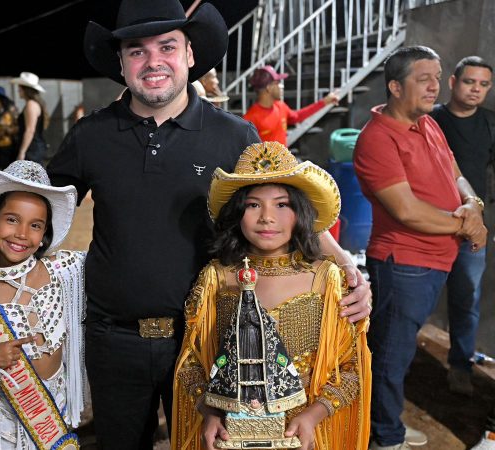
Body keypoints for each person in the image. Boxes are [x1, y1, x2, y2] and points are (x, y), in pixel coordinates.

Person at [46, 0, 372, 447]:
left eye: (167, 46)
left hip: (210, 342)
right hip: (113, 339)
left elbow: (288, 207)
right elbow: (37, 213)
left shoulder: (234, 135)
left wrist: (348, 270)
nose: (153, 61)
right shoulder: (90, 136)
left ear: (190, 55)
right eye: (137, 50)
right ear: (120, 63)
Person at [173, 141, 371, 450]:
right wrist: (210, 412)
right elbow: (191, 363)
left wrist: (313, 416)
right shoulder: (217, 277)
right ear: (237, 214)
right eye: (253, 205)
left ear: (300, 213)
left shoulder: (325, 279)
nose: (267, 217)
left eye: (282, 205)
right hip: (230, 435)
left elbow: (351, 369)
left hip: (304, 435)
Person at [353, 45, 487, 450]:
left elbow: (454, 171)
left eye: (438, 75)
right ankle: (384, 438)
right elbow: (407, 211)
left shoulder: (427, 124)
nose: (435, 86)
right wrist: (468, 227)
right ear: (395, 86)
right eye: (423, 78)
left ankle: (386, 423)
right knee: (390, 357)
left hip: (434, 258)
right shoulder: (377, 138)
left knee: (401, 352)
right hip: (405, 262)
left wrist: (472, 204)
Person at [0, 160, 86, 449]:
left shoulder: (66, 270)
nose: (22, 233)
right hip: (2, 426)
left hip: (56, 414)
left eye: (35, 225)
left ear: (44, 232)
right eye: (11, 219)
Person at [429, 56, 494, 397]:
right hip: (427, 223)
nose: (476, 90)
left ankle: (460, 366)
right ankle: (399, 366)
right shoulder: (431, 120)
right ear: (453, 82)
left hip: (471, 226)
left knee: (467, 296)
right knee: (417, 298)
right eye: (470, 82)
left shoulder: (489, 124)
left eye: (484, 85)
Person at [243, 65, 339, 145]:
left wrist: (324, 102)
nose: (282, 86)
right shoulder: (250, 119)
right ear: (269, 88)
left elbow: (297, 116)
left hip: (284, 165)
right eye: (277, 83)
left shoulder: (281, 106)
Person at [11, 72, 49, 163]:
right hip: (34, 147)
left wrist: (22, 152)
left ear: (25, 90)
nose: (18, 91)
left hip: (32, 149)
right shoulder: (34, 104)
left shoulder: (31, 105)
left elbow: (30, 130)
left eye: (19, 88)